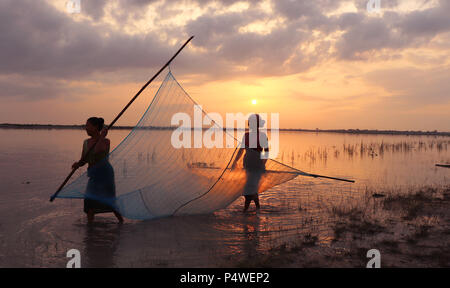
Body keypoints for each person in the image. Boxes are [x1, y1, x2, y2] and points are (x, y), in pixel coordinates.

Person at [72, 117, 124, 224]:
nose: (86, 128)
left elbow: (97, 150)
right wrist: (78, 164)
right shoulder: (86, 142)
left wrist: (101, 137)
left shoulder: (106, 141)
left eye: (88, 126)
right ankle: (90, 230)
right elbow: (84, 160)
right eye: (85, 126)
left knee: (110, 202)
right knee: (89, 203)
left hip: (105, 176)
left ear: (95, 127)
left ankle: (121, 222)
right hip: (94, 176)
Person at [231, 114, 269, 213]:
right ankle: (257, 209)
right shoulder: (246, 135)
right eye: (250, 122)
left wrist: (262, 164)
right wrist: (235, 161)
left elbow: (267, 152)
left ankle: (246, 210)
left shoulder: (263, 136)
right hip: (247, 164)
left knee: (250, 188)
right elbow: (241, 150)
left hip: (257, 166)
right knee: (251, 188)